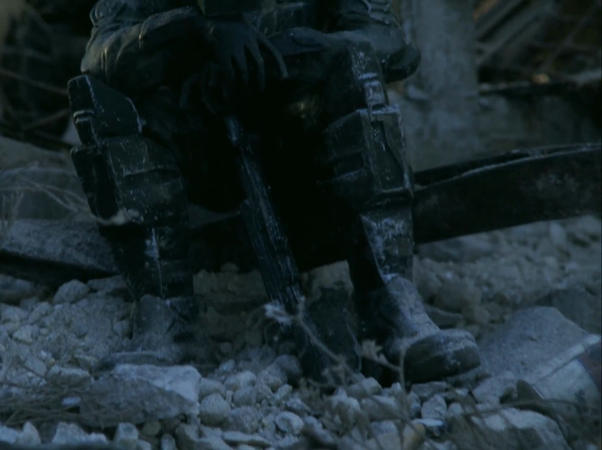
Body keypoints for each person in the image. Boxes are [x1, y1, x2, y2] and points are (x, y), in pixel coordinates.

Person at [69, 0, 481, 382]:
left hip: (304, 143)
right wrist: (188, 34)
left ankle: (389, 308)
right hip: (200, 152)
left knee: (357, 66)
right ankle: (169, 321)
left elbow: (389, 44)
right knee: (101, 102)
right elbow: (99, 57)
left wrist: (299, 51)